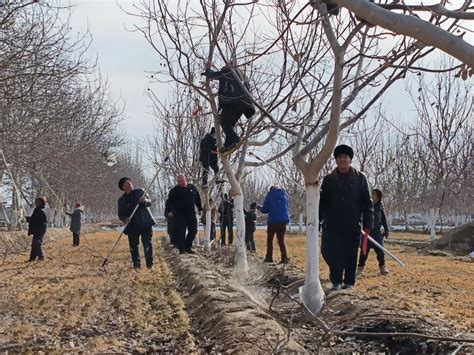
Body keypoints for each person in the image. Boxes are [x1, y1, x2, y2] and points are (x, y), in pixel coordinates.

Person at [319, 144, 374, 290]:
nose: (342, 160)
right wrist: (316, 220)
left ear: (350, 160)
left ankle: (349, 283)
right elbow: (322, 203)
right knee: (330, 252)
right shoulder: (329, 180)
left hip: (352, 224)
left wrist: (368, 224)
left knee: (350, 255)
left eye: (345, 157)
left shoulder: (360, 179)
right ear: (336, 160)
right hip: (332, 225)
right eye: (339, 157)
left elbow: (368, 204)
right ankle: (336, 281)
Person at [202, 63, 256, 151]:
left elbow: (213, 74)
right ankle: (228, 144)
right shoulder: (241, 76)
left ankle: (235, 139)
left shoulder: (227, 72)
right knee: (229, 124)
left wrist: (207, 71)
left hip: (233, 103)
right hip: (244, 105)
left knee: (224, 122)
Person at [118, 177, 156, 270]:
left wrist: (145, 201)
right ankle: (136, 265)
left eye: (130, 182)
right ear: (123, 187)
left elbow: (149, 202)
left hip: (145, 223)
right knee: (133, 247)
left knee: (147, 244)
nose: (130, 184)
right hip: (132, 226)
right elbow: (120, 214)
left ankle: (150, 265)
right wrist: (125, 219)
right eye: (127, 183)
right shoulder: (121, 200)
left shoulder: (140, 192)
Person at [166, 174, 202, 254]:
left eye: (181, 180)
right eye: (178, 181)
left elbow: (197, 199)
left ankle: (187, 246)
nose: (180, 182)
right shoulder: (174, 190)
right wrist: (169, 211)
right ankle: (182, 250)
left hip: (191, 213)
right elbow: (169, 202)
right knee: (181, 232)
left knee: (193, 231)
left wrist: (200, 208)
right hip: (179, 215)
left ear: (186, 180)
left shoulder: (192, 188)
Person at [357, 189, 390, 275]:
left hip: (377, 233)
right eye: (371, 194)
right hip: (367, 232)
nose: (371, 196)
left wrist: (386, 230)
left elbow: (383, 219)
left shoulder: (380, 207)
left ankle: (383, 268)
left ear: (378, 197)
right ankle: (360, 269)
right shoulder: (366, 205)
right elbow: (360, 217)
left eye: (373, 194)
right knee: (364, 251)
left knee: (380, 251)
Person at [258, 187, 290, 264]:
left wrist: (258, 207)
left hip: (273, 222)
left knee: (270, 240)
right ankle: (284, 258)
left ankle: (269, 257)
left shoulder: (269, 196)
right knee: (281, 241)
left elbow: (264, 210)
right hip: (283, 221)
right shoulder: (284, 196)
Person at [26, 196, 48, 262]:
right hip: (40, 229)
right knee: (34, 244)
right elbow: (36, 219)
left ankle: (41, 257)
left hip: (39, 230)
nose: (35, 203)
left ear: (41, 202)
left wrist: (28, 219)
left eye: (37, 202)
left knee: (37, 243)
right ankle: (32, 258)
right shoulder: (42, 209)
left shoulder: (38, 210)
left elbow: (34, 220)